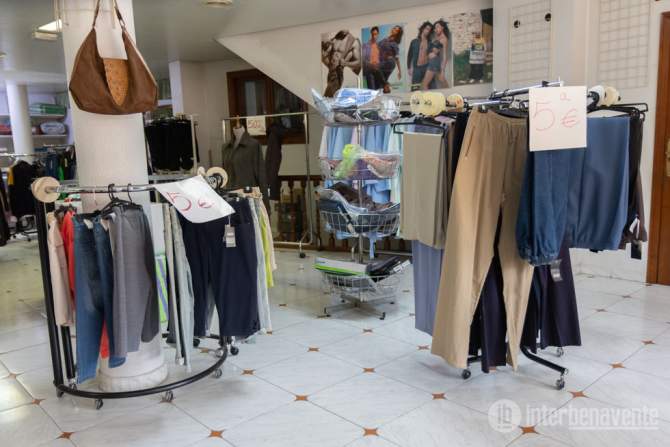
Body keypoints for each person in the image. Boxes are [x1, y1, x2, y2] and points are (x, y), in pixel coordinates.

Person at [322, 30, 362, 97]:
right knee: (330, 98)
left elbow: (358, 63)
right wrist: (326, 57)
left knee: (327, 97)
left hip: (338, 74)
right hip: (331, 73)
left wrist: (345, 63)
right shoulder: (335, 38)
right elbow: (325, 55)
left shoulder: (354, 42)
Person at [421, 19, 450, 90]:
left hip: (434, 62)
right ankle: (450, 93)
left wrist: (443, 71)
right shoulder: (437, 37)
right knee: (442, 80)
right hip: (433, 62)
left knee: (424, 84)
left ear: (442, 27)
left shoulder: (444, 39)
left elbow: (445, 56)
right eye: (435, 27)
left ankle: (428, 99)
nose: (436, 29)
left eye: (438, 27)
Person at [407, 21, 433, 91]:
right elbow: (409, 55)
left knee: (429, 89)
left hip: (426, 67)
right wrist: (409, 68)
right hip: (417, 68)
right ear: (422, 28)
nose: (428, 31)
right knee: (414, 89)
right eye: (427, 29)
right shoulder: (414, 41)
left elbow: (432, 56)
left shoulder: (430, 43)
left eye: (429, 30)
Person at [377, 25, 404, 93]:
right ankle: (386, 89)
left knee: (375, 68)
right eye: (394, 28)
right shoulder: (385, 39)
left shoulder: (394, 44)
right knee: (381, 81)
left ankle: (385, 85)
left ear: (397, 34)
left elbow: (397, 58)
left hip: (389, 62)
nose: (393, 30)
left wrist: (399, 71)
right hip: (383, 62)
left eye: (396, 30)